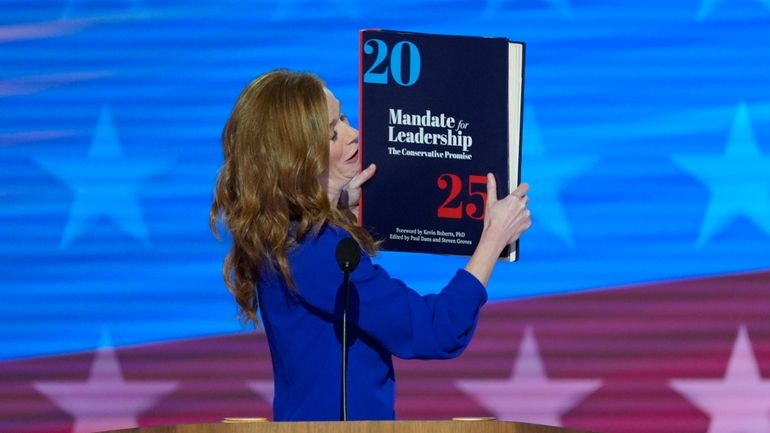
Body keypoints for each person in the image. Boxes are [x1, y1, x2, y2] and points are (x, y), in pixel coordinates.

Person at [210, 69, 531, 421]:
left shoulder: (282, 238)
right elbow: (437, 330)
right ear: (295, 159)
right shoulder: (318, 250)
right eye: (333, 134)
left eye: (344, 117)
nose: (354, 135)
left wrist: (337, 205)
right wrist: (493, 237)